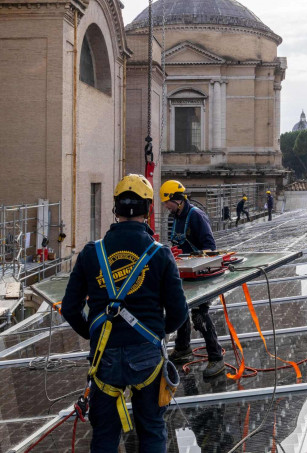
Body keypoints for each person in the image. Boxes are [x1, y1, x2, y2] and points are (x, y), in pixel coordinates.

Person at [61, 174, 188, 453]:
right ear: (148, 208)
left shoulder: (91, 253)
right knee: (151, 429)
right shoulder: (160, 254)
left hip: (104, 355)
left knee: (105, 434)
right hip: (146, 354)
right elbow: (179, 312)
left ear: (115, 208)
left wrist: (94, 332)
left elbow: (69, 308)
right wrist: (156, 332)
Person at [159, 180, 226, 380]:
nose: (166, 206)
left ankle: (216, 357)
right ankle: (183, 347)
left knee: (199, 314)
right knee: (180, 308)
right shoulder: (177, 217)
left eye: (167, 202)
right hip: (184, 273)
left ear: (177, 199)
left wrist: (193, 259)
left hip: (200, 274)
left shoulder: (196, 216)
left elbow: (210, 248)